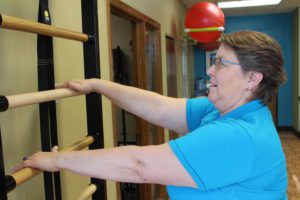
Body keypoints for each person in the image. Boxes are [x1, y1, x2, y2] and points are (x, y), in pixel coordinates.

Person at [13, 30, 288, 200]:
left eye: (220, 63)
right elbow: (157, 106)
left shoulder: (238, 135)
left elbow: (139, 165)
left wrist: (57, 159)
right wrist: (98, 85)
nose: (210, 71)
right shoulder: (223, 110)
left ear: (252, 78)